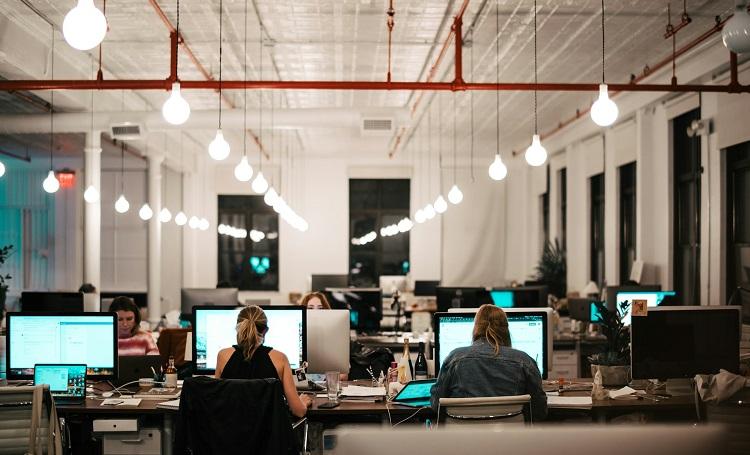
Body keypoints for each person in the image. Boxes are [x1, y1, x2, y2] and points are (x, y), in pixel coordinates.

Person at [430, 304, 547, 420]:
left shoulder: (455, 358)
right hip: (511, 436)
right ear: (506, 329)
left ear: (476, 328)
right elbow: (539, 411)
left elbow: (436, 404)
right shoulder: (525, 361)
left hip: (464, 437)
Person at [215, 305, 312, 418]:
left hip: (229, 433)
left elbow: (216, 402)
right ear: (265, 330)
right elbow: (298, 411)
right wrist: (302, 402)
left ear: (238, 328)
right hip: (268, 434)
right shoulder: (280, 359)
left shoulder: (223, 356)